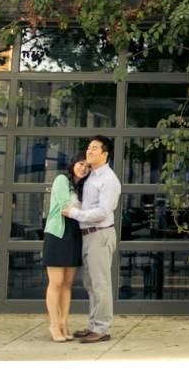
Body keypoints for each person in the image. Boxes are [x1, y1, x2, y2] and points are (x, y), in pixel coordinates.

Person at [63, 135, 121, 344]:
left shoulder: (109, 179)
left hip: (100, 234)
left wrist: (74, 214)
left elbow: (104, 212)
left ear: (105, 154)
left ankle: (103, 328)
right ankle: (94, 325)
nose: (89, 151)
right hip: (88, 236)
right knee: (90, 283)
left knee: (100, 284)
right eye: (88, 148)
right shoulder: (92, 177)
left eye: (95, 148)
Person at [42, 153, 89, 342]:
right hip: (58, 232)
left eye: (87, 166)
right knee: (57, 282)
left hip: (75, 233)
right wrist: (88, 213)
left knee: (68, 283)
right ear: (73, 164)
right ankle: (53, 325)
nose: (83, 168)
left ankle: (63, 323)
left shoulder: (82, 188)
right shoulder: (62, 180)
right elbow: (65, 208)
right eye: (80, 163)